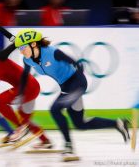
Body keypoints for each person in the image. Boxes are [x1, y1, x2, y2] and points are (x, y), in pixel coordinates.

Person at [14, 28, 130, 161]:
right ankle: (118, 123)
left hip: (77, 83)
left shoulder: (52, 52)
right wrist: (21, 93)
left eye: (23, 47)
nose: (21, 51)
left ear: (33, 44)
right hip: (66, 88)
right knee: (80, 124)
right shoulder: (27, 60)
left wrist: (79, 80)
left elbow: (76, 63)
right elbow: (24, 76)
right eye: (19, 48)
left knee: (55, 109)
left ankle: (68, 146)